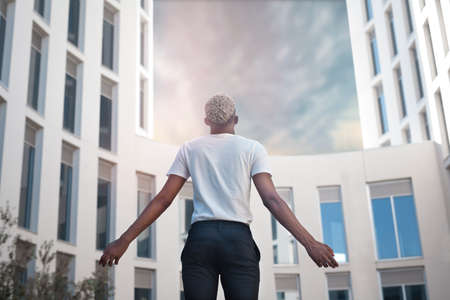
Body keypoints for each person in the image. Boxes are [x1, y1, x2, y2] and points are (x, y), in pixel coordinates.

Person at [99, 94, 338, 299]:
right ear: (236, 119)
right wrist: (310, 243)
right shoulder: (252, 148)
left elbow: (163, 199)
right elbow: (271, 200)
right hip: (238, 241)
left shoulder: (189, 148)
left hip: (201, 240)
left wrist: (125, 240)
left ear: (206, 121)